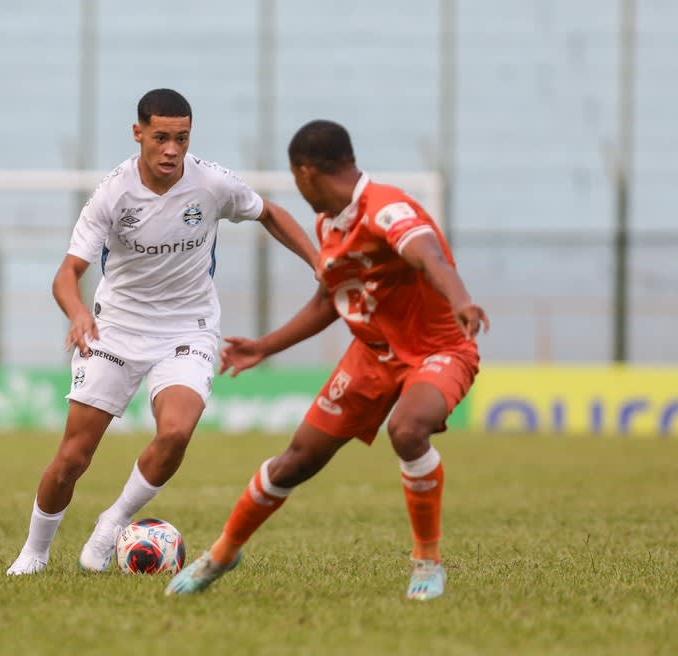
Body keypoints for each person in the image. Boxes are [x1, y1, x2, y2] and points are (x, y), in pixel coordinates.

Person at [166, 119, 489, 601]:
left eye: (295, 179)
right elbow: (328, 302)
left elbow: (429, 257)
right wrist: (264, 346)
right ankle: (222, 553)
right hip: (371, 356)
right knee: (295, 461)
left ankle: (427, 561)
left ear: (306, 171)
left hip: (439, 350)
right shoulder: (328, 224)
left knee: (407, 429)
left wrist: (461, 299)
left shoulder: (386, 209)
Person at [6, 89, 318, 575]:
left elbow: (270, 213)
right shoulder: (113, 193)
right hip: (115, 330)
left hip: (187, 328)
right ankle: (34, 552)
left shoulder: (212, 183)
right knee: (73, 457)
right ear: (139, 134)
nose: (172, 149)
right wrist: (77, 313)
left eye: (182, 138)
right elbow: (66, 274)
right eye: (161, 138)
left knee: (175, 432)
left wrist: (320, 262)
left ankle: (113, 523)